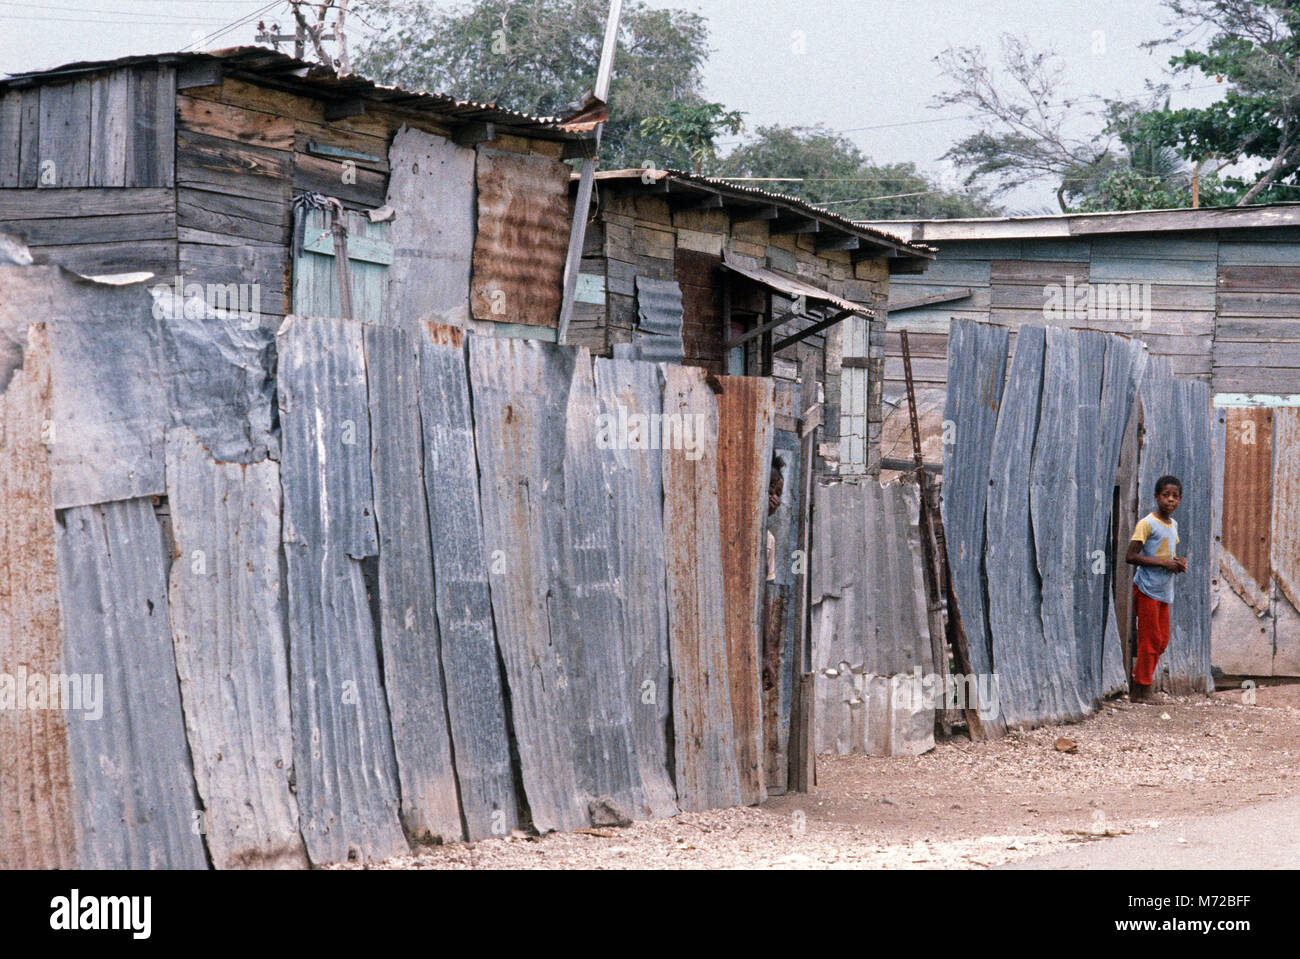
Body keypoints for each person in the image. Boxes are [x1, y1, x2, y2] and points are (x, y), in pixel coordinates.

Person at [1125, 474, 1187, 702]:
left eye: (1175, 496)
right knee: (1150, 640)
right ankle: (1141, 689)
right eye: (1166, 495)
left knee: (1161, 641)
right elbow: (1130, 556)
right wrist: (1164, 563)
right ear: (1156, 497)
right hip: (1147, 589)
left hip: (1164, 591)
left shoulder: (1173, 525)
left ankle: (1140, 680)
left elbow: (1166, 554)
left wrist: (1177, 563)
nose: (1170, 500)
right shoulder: (1147, 524)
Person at [766, 455, 785, 583]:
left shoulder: (769, 539)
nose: (774, 497)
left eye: (778, 494)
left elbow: (767, 582)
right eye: (771, 486)